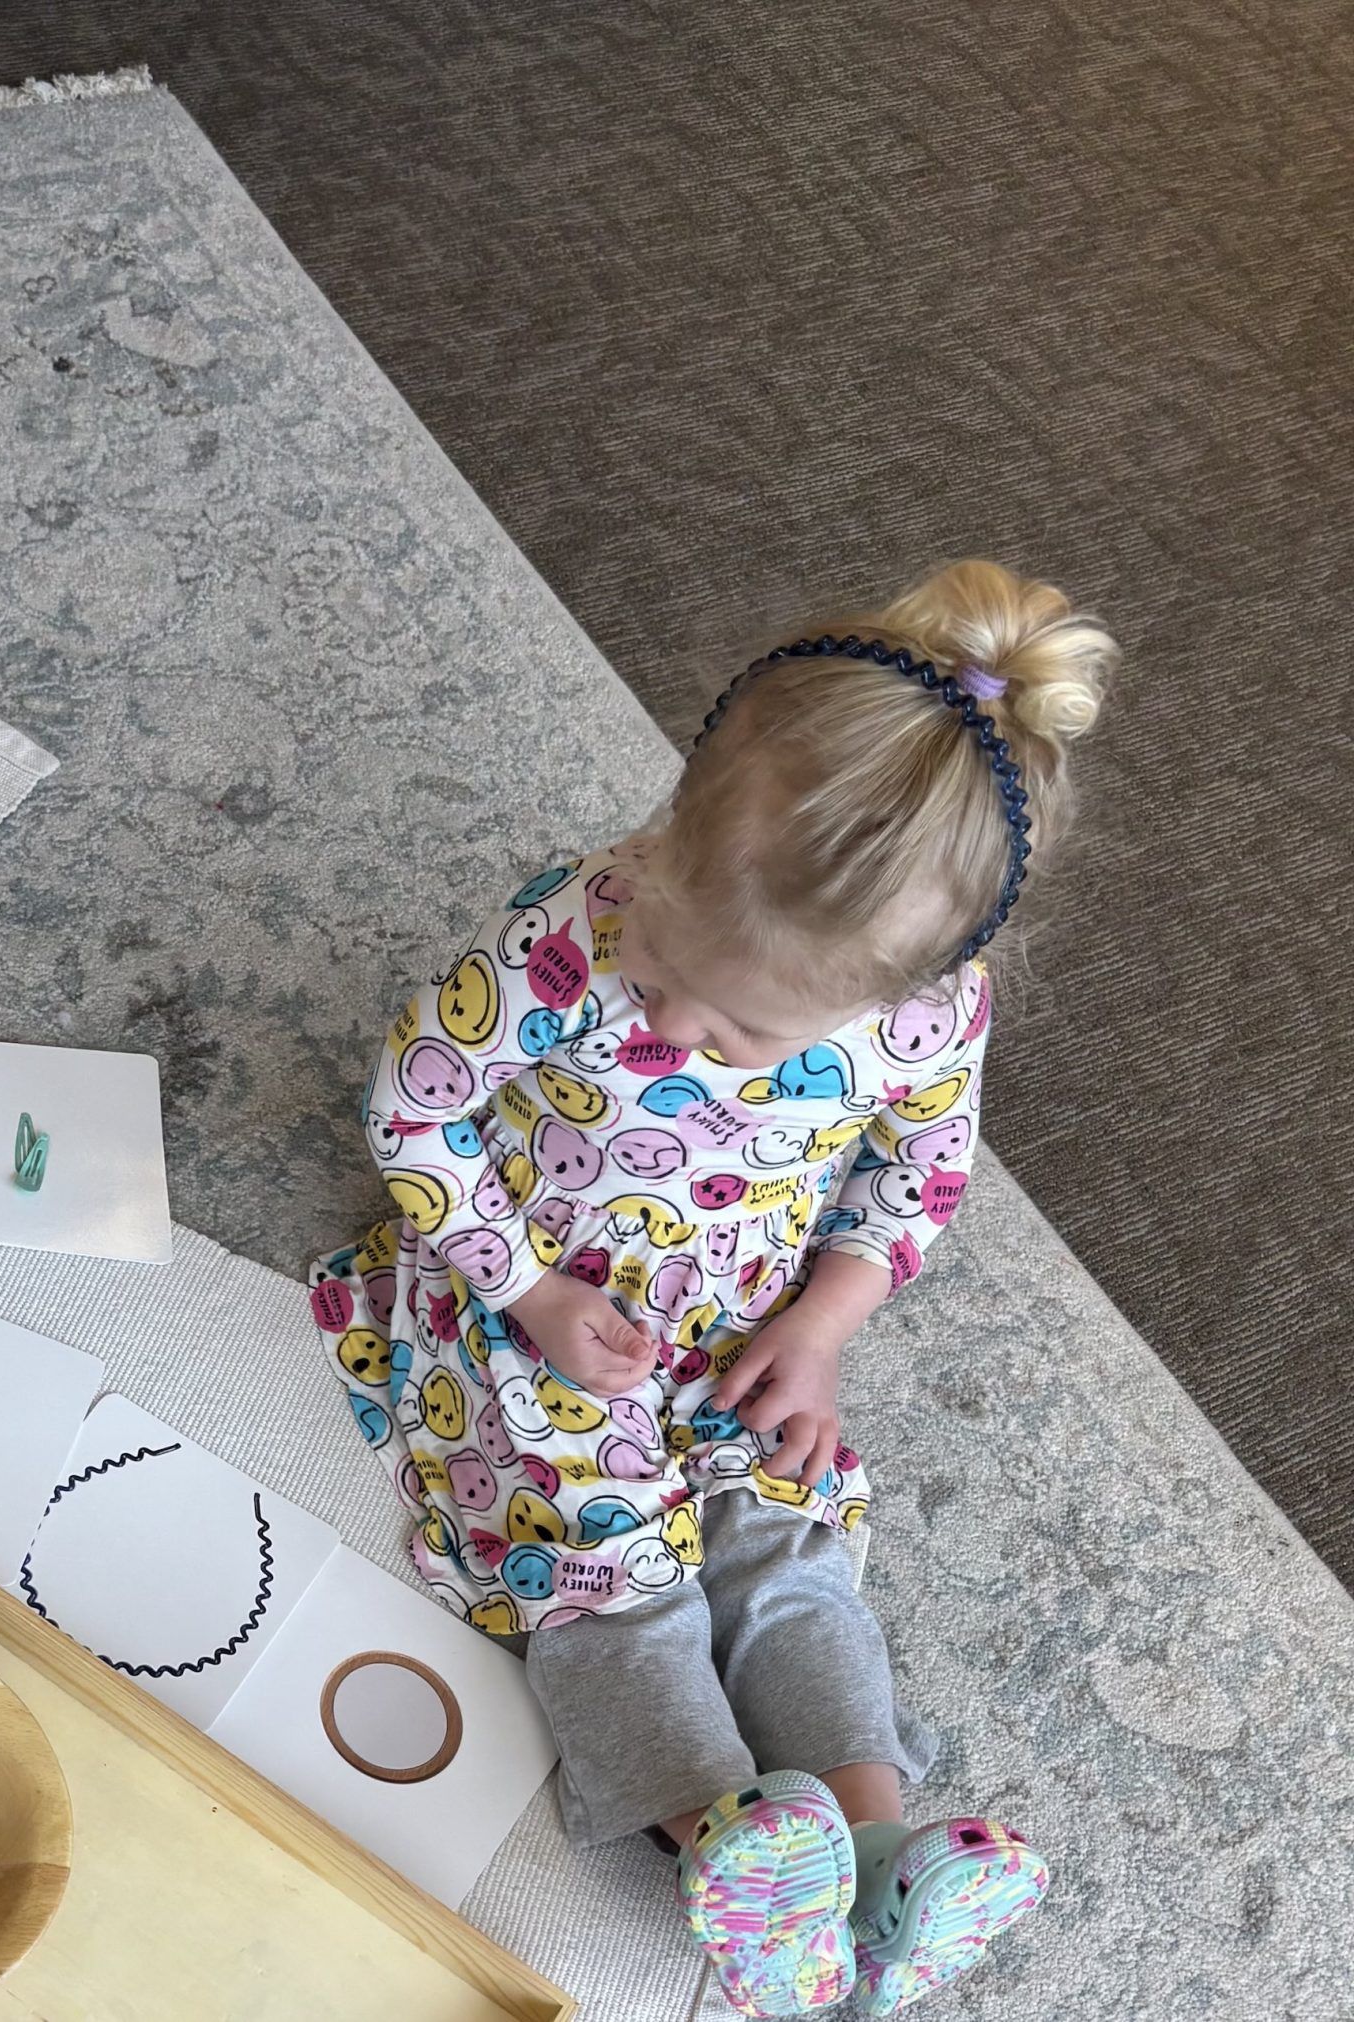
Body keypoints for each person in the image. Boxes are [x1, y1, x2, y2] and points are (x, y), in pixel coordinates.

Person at [311, 561, 1118, 2014]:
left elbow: (918, 1175)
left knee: (784, 1548)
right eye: (666, 967)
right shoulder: (574, 931)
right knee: (609, 1563)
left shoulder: (931, 1014)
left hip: (745, 1320)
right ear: (672, 832)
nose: (677, 1022)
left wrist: (822, 1326)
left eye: (740, 1025)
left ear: (895, 990)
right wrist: (528, 1287)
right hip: (535, 1313)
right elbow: (415, 1109)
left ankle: (873, 1859)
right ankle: (721, 1838)